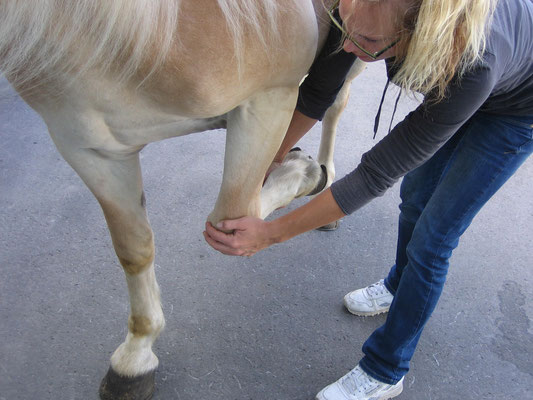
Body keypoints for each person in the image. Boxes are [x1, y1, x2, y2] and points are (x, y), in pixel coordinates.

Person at [204, 0, 533, 399]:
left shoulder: (473, 61)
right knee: (414, 198)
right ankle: (398, 284)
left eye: (369, 40)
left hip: (515, 110)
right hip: (461, 79)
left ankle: (385, 369)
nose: (347, 47)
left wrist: (269, 234)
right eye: (346, 26)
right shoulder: (363, 13)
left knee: (433, 239)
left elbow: (375, 174)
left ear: (419, 33)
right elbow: (318, 92)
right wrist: (264, 166)